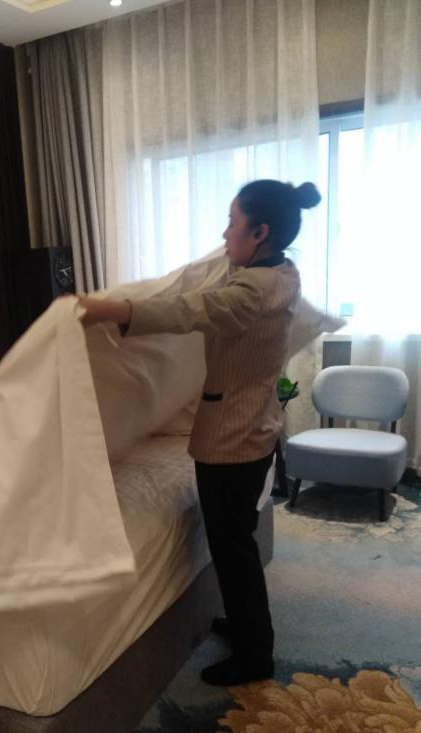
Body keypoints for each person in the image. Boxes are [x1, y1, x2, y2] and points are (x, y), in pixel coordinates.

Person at [78, 179, 321, 687]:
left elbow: (190, 309)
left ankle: (254, 656)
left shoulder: (253, 289)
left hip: (232, 439)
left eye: (233, 223)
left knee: (232, 548)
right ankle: (249, 626)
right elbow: (201, 290)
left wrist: (115, 310)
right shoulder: (281, 271)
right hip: (253, 429)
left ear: (261, 232)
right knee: (236, 542)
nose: (225, 233)